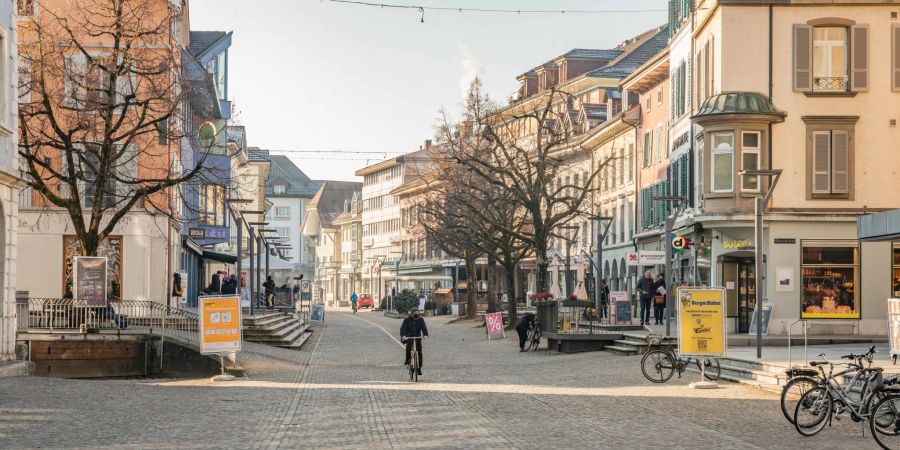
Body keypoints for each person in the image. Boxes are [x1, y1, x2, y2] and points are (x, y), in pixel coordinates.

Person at [400, 307, 429, 375]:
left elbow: (424, 327)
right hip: (409, 337)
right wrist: (403, 335)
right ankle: (407, 361)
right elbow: (403, 328)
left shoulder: (421, 320)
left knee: (419, 353)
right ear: (412, 313)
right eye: (415, 313)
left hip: (418, 337)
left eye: (417, 313)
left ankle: (419, 368)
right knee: (408, 349)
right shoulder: (407, 320)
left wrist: (425, 334)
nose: (416, 314)